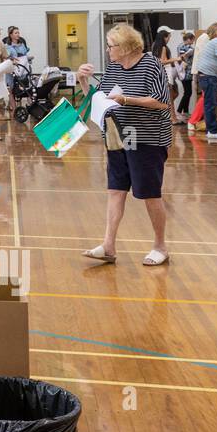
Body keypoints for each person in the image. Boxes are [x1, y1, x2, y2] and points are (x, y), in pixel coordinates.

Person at [77, 22, 173, 267]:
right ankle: (108, 246)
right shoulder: (114, 67)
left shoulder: (151, 64)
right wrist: (83, 81)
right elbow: (99, 97)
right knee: (116, 190)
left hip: (148, 138)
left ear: (125, 47)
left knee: (150, 194)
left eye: (111, 46)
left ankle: (160, 246)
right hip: (118, 136)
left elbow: (162, 101)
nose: (108, 50)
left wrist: (126, 99)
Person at [194, 21, 217, 142]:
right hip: (208, 76)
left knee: (209, 103)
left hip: (205, 75)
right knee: (210, 104)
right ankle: (212, 131)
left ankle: (211, 130)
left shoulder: (214, 41)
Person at [174, 31, 195, 122]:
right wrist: (189, 53)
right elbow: (182, 57)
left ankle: (185, 111)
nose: (193, 42)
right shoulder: (184, 47)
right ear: (189, 39)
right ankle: (179, 111)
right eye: (193, 40)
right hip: (185, 72)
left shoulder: (183, 46)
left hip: (187, 72)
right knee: (188, 92)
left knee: (188, 92)